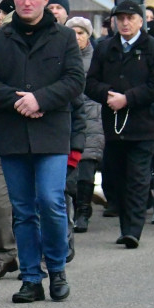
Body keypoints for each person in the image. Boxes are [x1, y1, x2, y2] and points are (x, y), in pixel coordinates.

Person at [0, 0, 84, 303]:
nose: (26, 2)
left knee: (51, 202)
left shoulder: (64, 37)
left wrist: (40, 99)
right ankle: (31, 279)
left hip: (51, 132)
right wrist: (17, 100)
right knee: (22, 210)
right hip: (12, 134)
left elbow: (75, 81)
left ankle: (57, 268)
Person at [85, 0, 154, 248]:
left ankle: (133, 229)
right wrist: (108, 95)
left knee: (138, 178)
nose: (124, 23)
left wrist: (128, 99)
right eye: (120, 18)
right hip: (113, 126)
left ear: (140, 21)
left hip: (143, 126)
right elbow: (90, 83)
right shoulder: (104, 48)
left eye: (130, 18)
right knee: (115, 178)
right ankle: (125, 225)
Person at [67, 17, 104, 233]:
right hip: (69, 116)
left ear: (88, 35)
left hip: (92, 117)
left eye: (81, 33)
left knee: (87, 169)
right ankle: (70, 209)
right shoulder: (62, 57)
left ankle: (84, 210)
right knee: (70, 170)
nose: (76, 37)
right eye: (72, 32)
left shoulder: (96, 58)